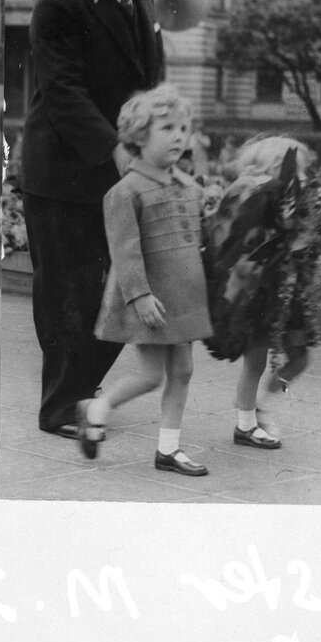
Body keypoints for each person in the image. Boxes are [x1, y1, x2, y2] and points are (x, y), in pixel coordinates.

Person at [19, 0, 165, 438]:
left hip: (120, 173)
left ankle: (82, 387)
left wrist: (164, 141)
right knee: (66, 295)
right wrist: (120, 152)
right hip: (64, 176)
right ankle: (60, 406)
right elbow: (64, 94)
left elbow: (149, 81)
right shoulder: (61, 0)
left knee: (126, 287)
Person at [77, 85, 212, 476]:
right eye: (167, 128)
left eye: (183, 128)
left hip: (183, 299)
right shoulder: (126, 191)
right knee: (152, 375)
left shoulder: (187, 187)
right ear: (139, 135)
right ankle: (97, 408)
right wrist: (138, 295)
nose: (178, 136)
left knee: (183, 371)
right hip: (152, 299)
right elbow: (125, 251)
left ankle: (168, 449)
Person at [204, 136, 321, 450]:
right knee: (257, 361)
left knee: (269, 360)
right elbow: (268, 234)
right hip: (259, 288)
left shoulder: (248, 188)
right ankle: (246, 423)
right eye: (298, 167)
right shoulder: (262, 190)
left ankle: (252, 412)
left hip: (256, 286)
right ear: (277, 163)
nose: (301, 174)